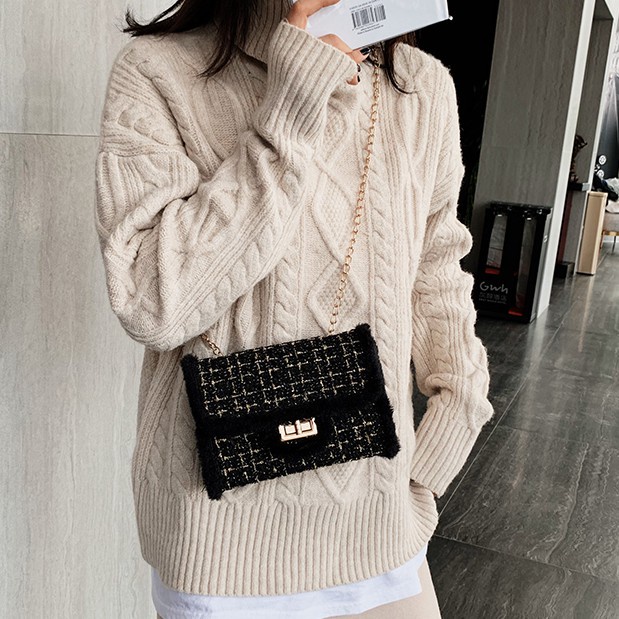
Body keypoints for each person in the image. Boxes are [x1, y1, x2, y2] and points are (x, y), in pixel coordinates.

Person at [94, 0, 495, 617]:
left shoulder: (420, 88)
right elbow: (153, 303)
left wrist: (451, 423)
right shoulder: (158, 71)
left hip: (381, 532)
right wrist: (293, 104)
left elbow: (437, 269)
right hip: (222, 554)